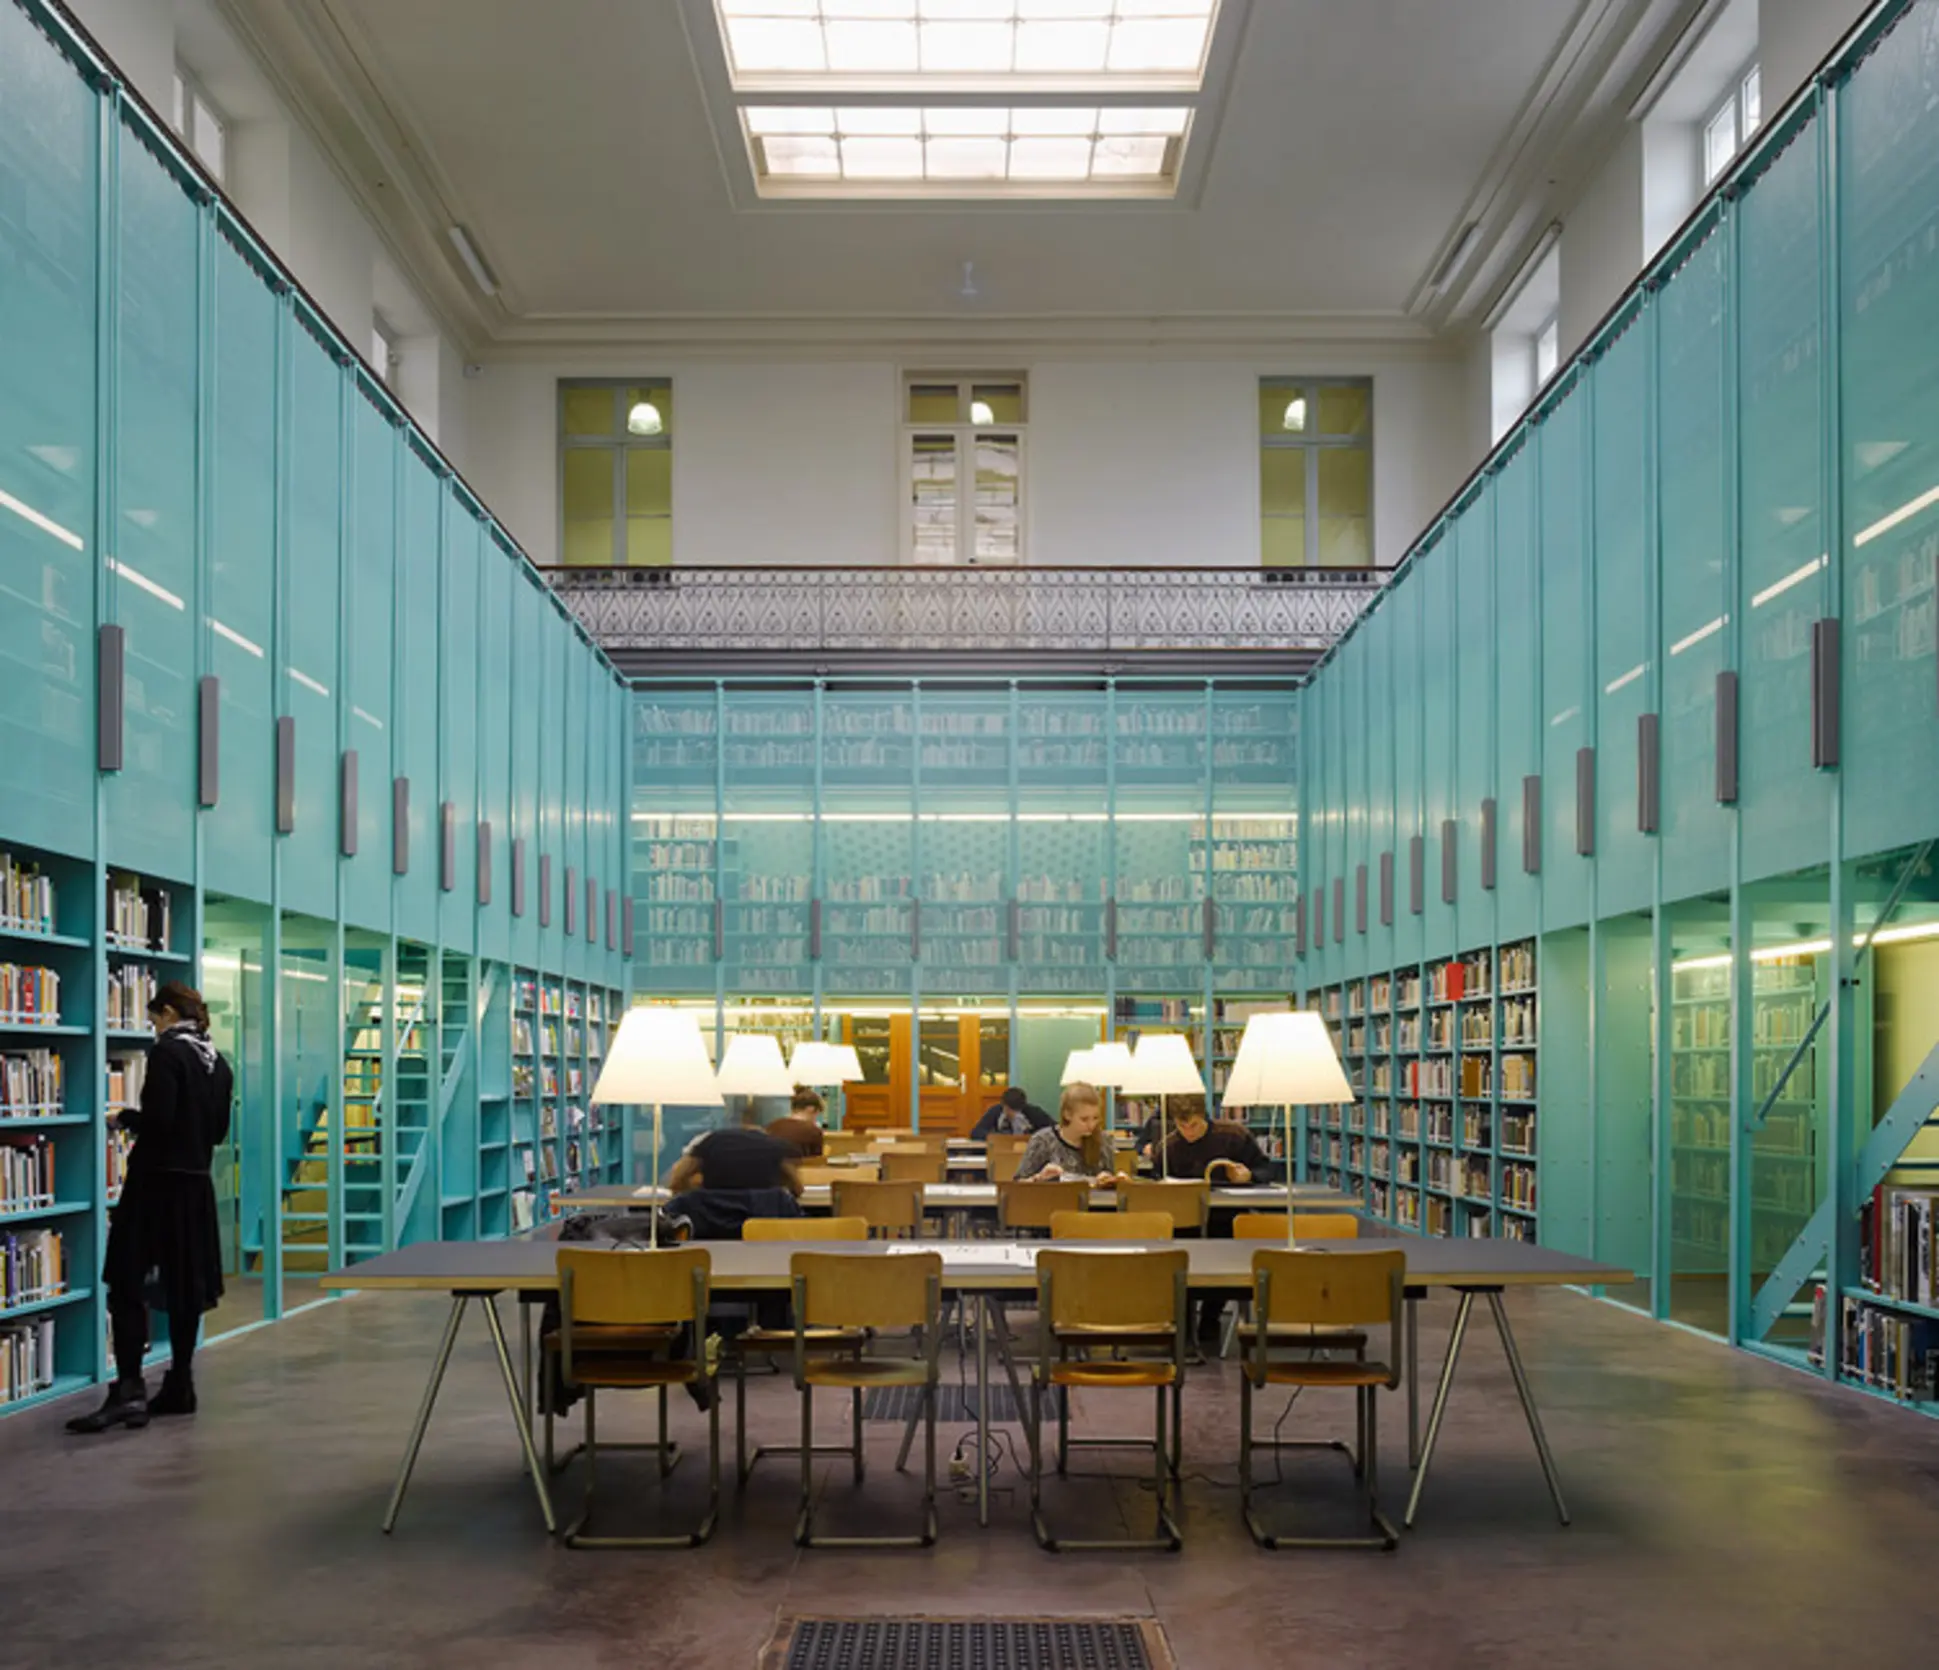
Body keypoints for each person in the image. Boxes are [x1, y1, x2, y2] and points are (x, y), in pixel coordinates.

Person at [68, 982, 233, 1433]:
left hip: (155, 1186)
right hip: (195, 1188)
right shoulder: (218, 1062)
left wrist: (124, 1118)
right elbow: (217, 1132)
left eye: (153, 1018)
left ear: (165, 1013)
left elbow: (158, 1123)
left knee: (125, 1281)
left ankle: (128, 1391)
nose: (152, 1027)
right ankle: (181, 1384)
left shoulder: (167, 1055)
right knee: (184, 1289)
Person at [1014, 1082, 1122, 1183]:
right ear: (1067, 1115)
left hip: (1094, 1201)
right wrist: (1039, 1177)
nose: (1091, 1125)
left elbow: (1111, 1183)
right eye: (1084, 1119)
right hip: (1053, 1201)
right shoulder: (1043, 1141)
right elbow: (1018, 1185)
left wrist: (1107, 1179)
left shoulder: (1104, 1141)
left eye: (1095, 1118)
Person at [666, 1119, 801, 1196]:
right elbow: (797, 1188)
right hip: (764, 1217)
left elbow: (676, 1180)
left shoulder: (711, 1141)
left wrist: (698, 1194)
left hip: (712, 1217)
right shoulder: (776, 1146)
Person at [1152, 1101, 1272, 1184]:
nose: (1188, 1132)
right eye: (1182, 1126)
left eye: (1194, 1125)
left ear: (1203, 1116)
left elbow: (1267, 1170)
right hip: (1187, 1214)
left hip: (1231, 1211)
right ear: (1174, 1122)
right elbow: (1155, 1182)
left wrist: (1250, 1175)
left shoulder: (1235, 1135)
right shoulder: (1168, 1147)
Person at [971, 1084, 1051, 1140]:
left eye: (1016, 1111)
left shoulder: (1033, 1112)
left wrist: (1030, 1134)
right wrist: (998, 1137)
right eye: (1009, 1110)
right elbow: (976, 1132)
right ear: (1003, 1105)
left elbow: (1053, 1129)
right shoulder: (996, 1111)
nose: (1012, 1114)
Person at [765, 1088, 826, 1158]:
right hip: (796, 1167)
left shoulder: (772, 1126)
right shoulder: (813, 1131)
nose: (815, 1118)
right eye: (817, 1113)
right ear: (811, 1109)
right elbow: (815, 1162)